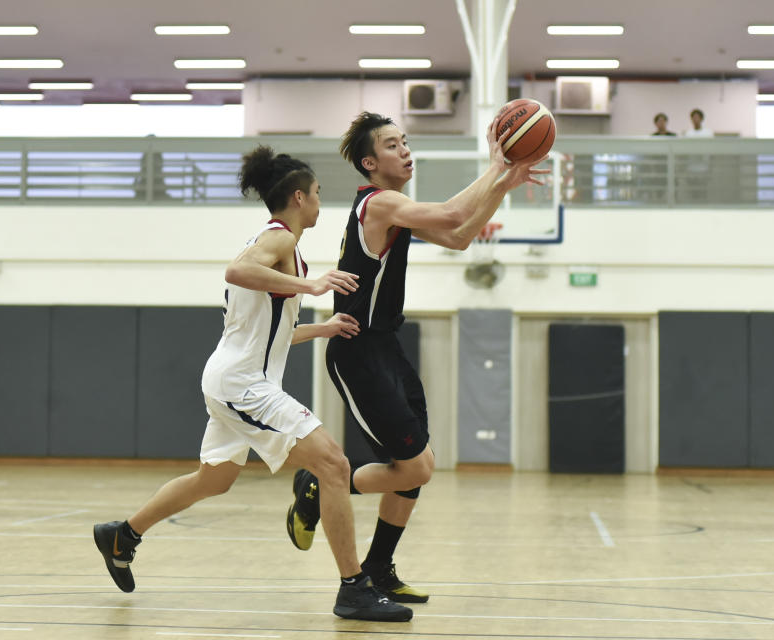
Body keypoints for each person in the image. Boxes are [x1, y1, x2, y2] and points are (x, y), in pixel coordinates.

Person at [93, 145, 413, 623]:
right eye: (319, 194)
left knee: (214, 479)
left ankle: (123, 535)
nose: (322, 203)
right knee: (332, 463)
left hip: (235, 377)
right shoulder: (278, 240)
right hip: (244, 384)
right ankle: (354, 587)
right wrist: (314, 286)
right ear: (300, 197)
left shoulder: (284, 248)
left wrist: (321, 328)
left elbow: (271, 333)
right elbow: (236, 269)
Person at [285, 112, 549, 603]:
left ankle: (380, 567)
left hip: (386, 348)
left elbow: (458, 236)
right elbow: (451, 215)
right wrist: (497, 166)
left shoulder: (396, 208)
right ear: (370, 162)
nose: (405, 150)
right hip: (357, 352)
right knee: (416, 467)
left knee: (418, 462)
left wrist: (505, 183)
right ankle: (316, 487)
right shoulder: (378, 204)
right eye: (392, 145)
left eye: (405, 142)